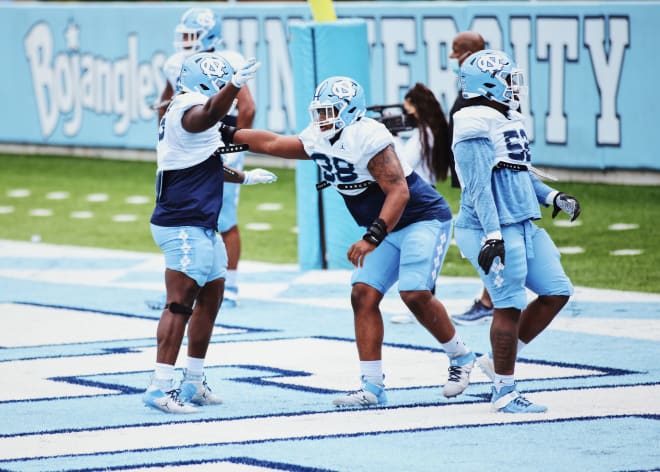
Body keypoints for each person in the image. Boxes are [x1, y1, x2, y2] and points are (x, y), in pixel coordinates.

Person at [220, 76, 477, 406]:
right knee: (363, 294)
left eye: (329, 112)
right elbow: (271, 143)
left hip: (421, 219)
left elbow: (399, 191)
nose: (321, 119)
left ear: (351, 112)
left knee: (414, 293)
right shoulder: (319, 135)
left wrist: (371, 238)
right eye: (319, 112)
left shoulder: (366, 135)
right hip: (389, 226)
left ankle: (461, 357)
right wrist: (226, 132)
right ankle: (372, 387)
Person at [143, 51, 276, 414]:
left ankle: (192, 381)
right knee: (179, 303)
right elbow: (209, 115)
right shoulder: (188, 107)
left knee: (212, 296)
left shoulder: (199, 112)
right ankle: (159, 386)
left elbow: (211, 158)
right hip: (181, 223)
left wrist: (245, 176)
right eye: (219, 85)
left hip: (201, 224)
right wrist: (234, 85)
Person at [452, 49, 581, 413]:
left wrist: (551, 195)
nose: (513, 86)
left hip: (523, 221)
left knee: (556, 291)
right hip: (489, 226)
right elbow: (477, 187)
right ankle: (504, 392)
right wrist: (492, 235)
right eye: (508, 79)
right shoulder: (473, 120)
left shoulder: (505, 117)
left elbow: (517, 172)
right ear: (488, 83)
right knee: (508, 305)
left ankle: (496, 361)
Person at [151, 6, 256, 309]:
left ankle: (231, 286)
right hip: (187, 143)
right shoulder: (175, 63)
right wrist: (163, 138)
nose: (185, 40)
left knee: (224, 217)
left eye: (191, 34)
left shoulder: (230, 60)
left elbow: (246, 108)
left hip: (221, 137)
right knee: (181, 215)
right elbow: (166, 100)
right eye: (183, 34)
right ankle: (180, 283)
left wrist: (235, 153)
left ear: (209, 35)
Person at [388, 82, 452, 324]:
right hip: (425, 192)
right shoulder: (429, 130)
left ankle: (419, 307)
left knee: (417, 254)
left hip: (419, 195)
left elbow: (405, 163)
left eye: (407, 108)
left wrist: (391, 139)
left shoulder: (424, 133)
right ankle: (422, 305)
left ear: (415, 107)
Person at [447, 31, 497, 326]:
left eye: (457, 55)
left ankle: (492, 299)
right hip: (472, 172)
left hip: (481, 172)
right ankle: (490, 297)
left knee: (488, 232)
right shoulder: (476, 83)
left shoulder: (485, 87)